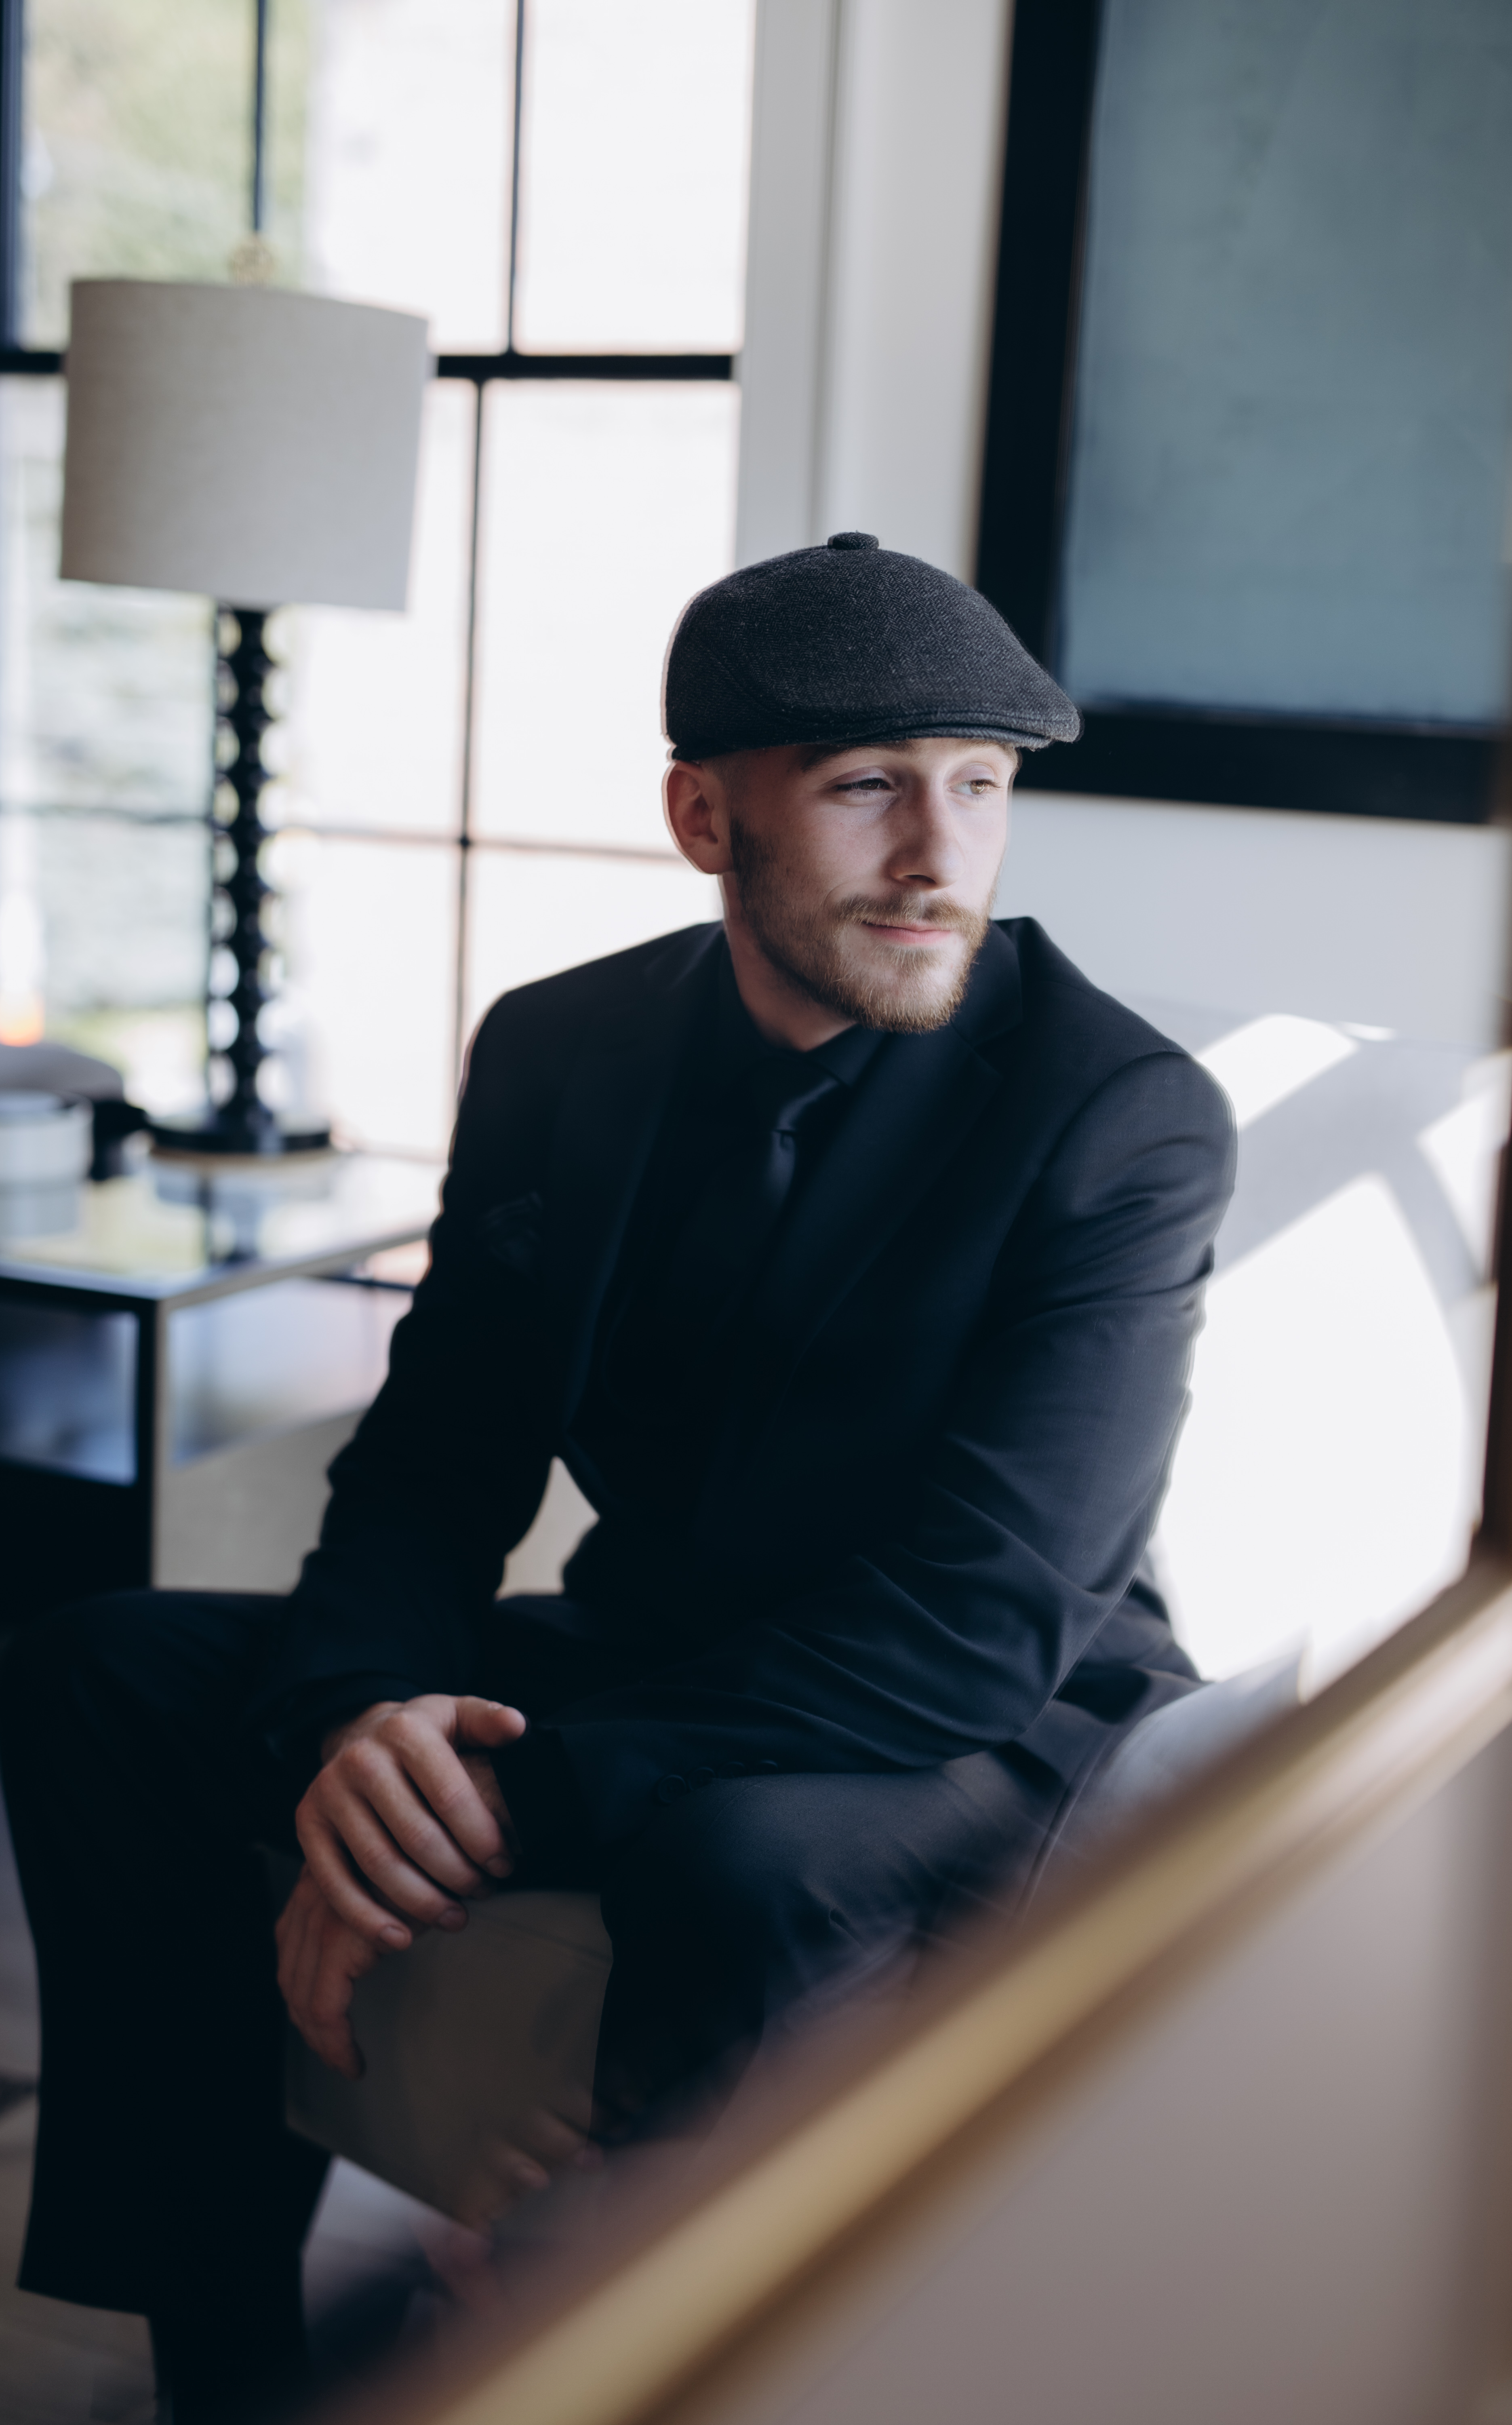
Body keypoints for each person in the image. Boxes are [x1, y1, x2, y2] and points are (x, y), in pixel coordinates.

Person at [0, 531, 1234, 2420]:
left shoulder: (1120, 1115)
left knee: (745, 1857)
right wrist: (356, 1729)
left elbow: (976, 1620)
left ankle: (645, 2348)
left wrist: (502, 1799)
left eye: (981, 788)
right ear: (702, 817)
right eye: (868, 788)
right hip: (655, 1650)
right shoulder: (560, 1049)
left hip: (977, 1714)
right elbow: (436, 1464)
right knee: (105, 1671)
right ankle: (228, 2364)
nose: (940, 856)